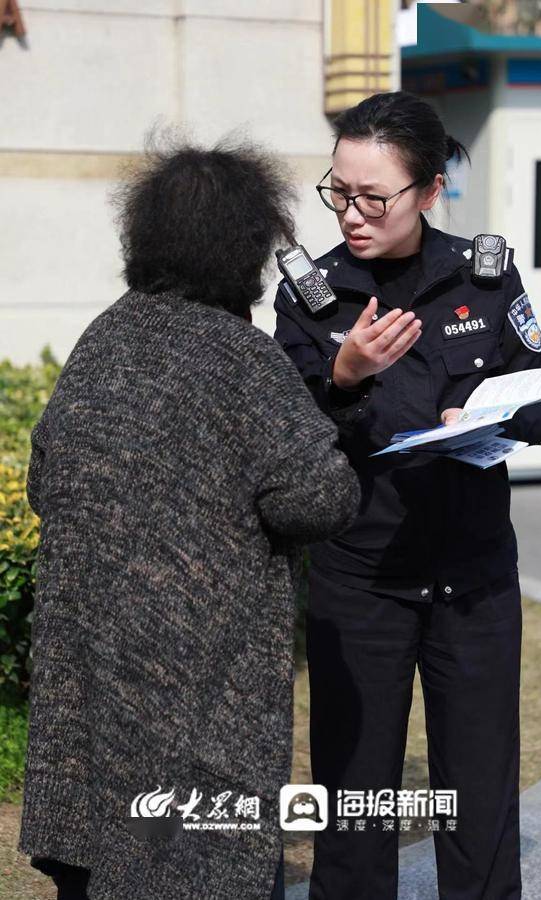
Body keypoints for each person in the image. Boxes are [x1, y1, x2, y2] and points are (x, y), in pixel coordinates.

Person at [17, 134, 363, 900]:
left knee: (103, 859)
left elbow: (47, 481)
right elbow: (320, 498)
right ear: (247, 248)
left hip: (91, 689)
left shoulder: (102, 340)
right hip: (199, 691)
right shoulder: (243, 360)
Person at [273, 90, 541, 900]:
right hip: (358, 583)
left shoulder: (485, 278)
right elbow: (283, 431)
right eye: (339, 192)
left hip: (473, 581)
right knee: (356, 799)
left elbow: (540, 393)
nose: (352, 213)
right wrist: (343, 376)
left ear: (431, 190)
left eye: (374, 196)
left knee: (478, 796)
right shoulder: (309, 296)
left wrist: (490, 413)